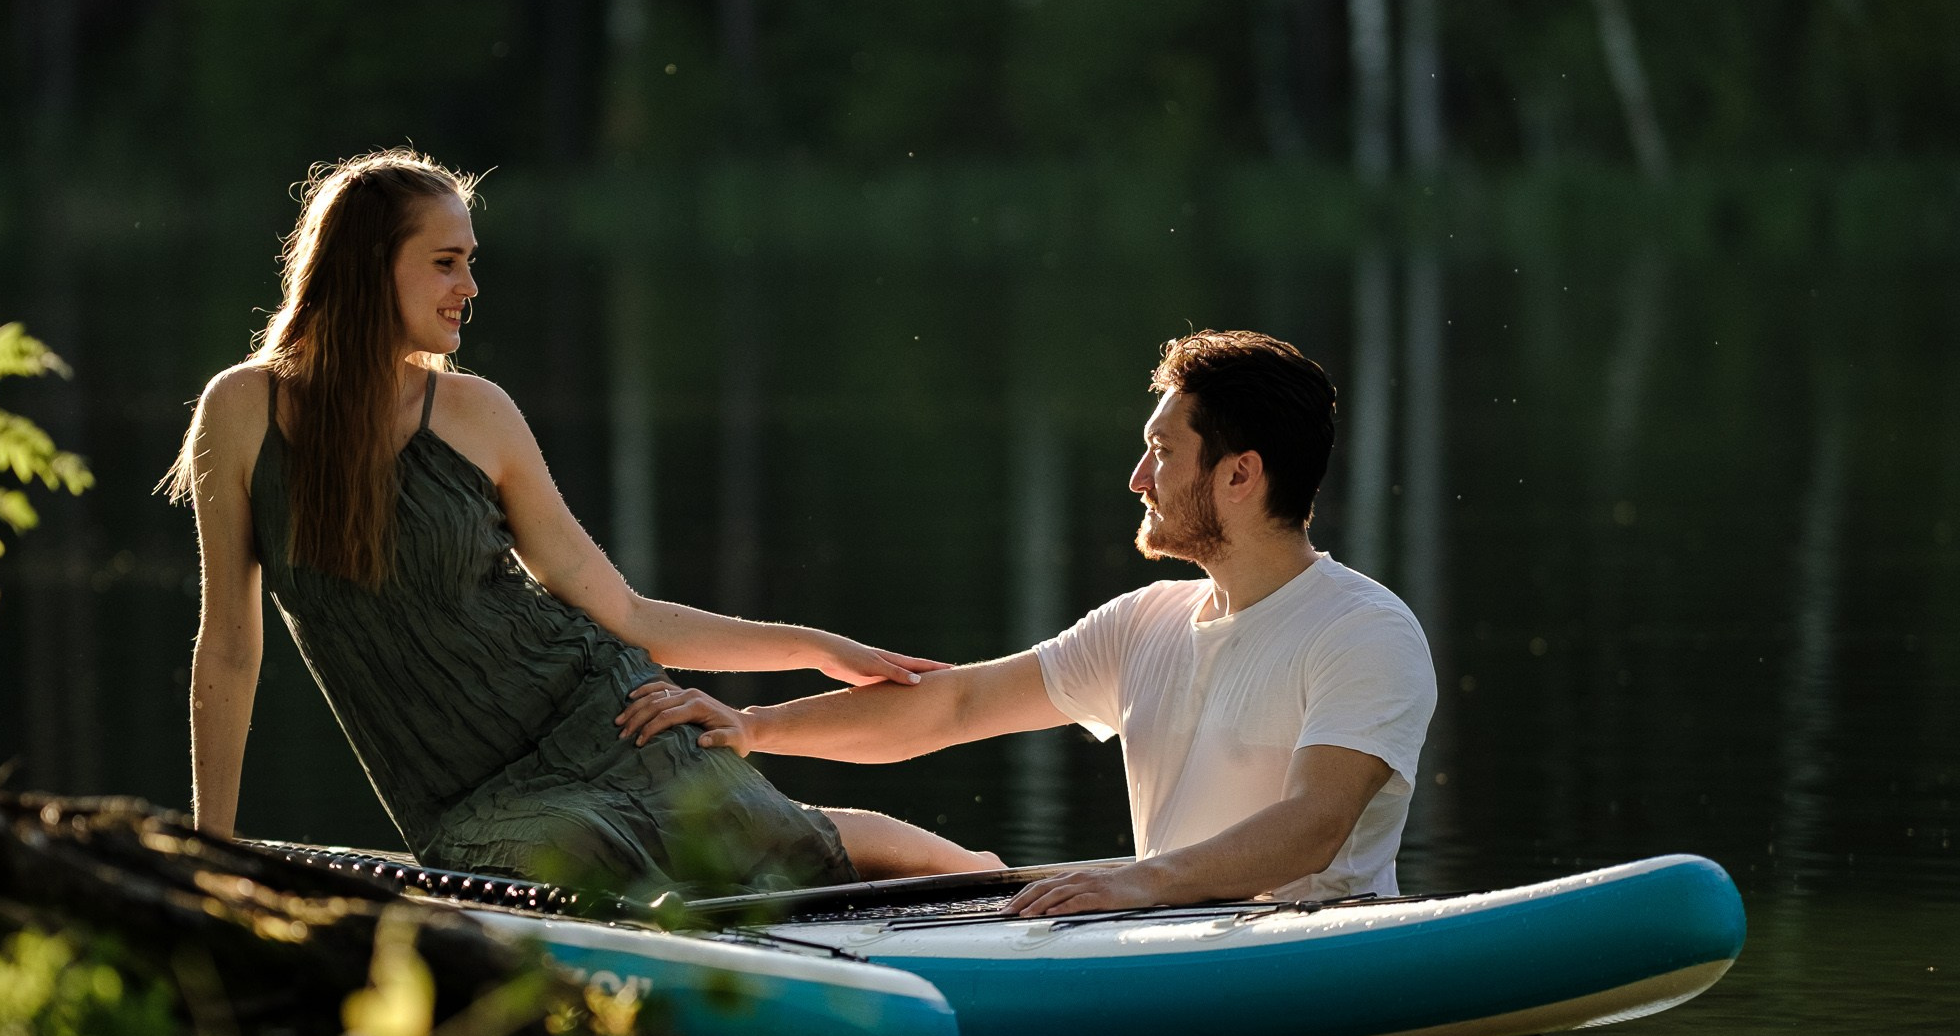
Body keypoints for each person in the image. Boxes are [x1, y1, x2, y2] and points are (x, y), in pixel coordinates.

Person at [166, 149, 997, 897]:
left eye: (471, 262)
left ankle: (992, 881)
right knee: (583, 857)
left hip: (600, 708)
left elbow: (624, 613)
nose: (470, 287)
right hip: (460, 795)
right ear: (363, 270)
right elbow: (230, 649)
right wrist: (212, 850)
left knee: (774, 841)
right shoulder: (243, 409)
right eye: (445, 263)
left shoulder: (476, 413)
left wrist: (816, 647)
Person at [623, 327, 1437, 917]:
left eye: (1161, 452)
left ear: (1240, 475)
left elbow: (1315, 825)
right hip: (1158, 933)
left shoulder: (1362, 631)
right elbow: (954, 704)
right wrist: (752, 726)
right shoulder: (1142, 623)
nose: (1136, 478)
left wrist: (1136, 880)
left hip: (1309, 946)